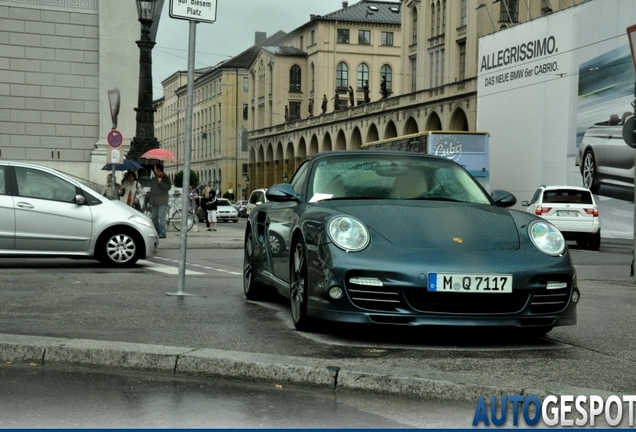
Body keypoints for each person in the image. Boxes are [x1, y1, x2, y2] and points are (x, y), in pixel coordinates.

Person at [149, 163, 172, 238]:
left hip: (162, 200)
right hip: (155, 201)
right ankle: (157, 230)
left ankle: (162, 233)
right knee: (154, 217)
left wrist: (161, 182)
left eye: (155, 168)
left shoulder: (165, 177)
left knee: (162, 217)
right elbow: (153, 189)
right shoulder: (155, 177)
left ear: (159, 169)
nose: (154, 170)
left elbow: (168, 187)